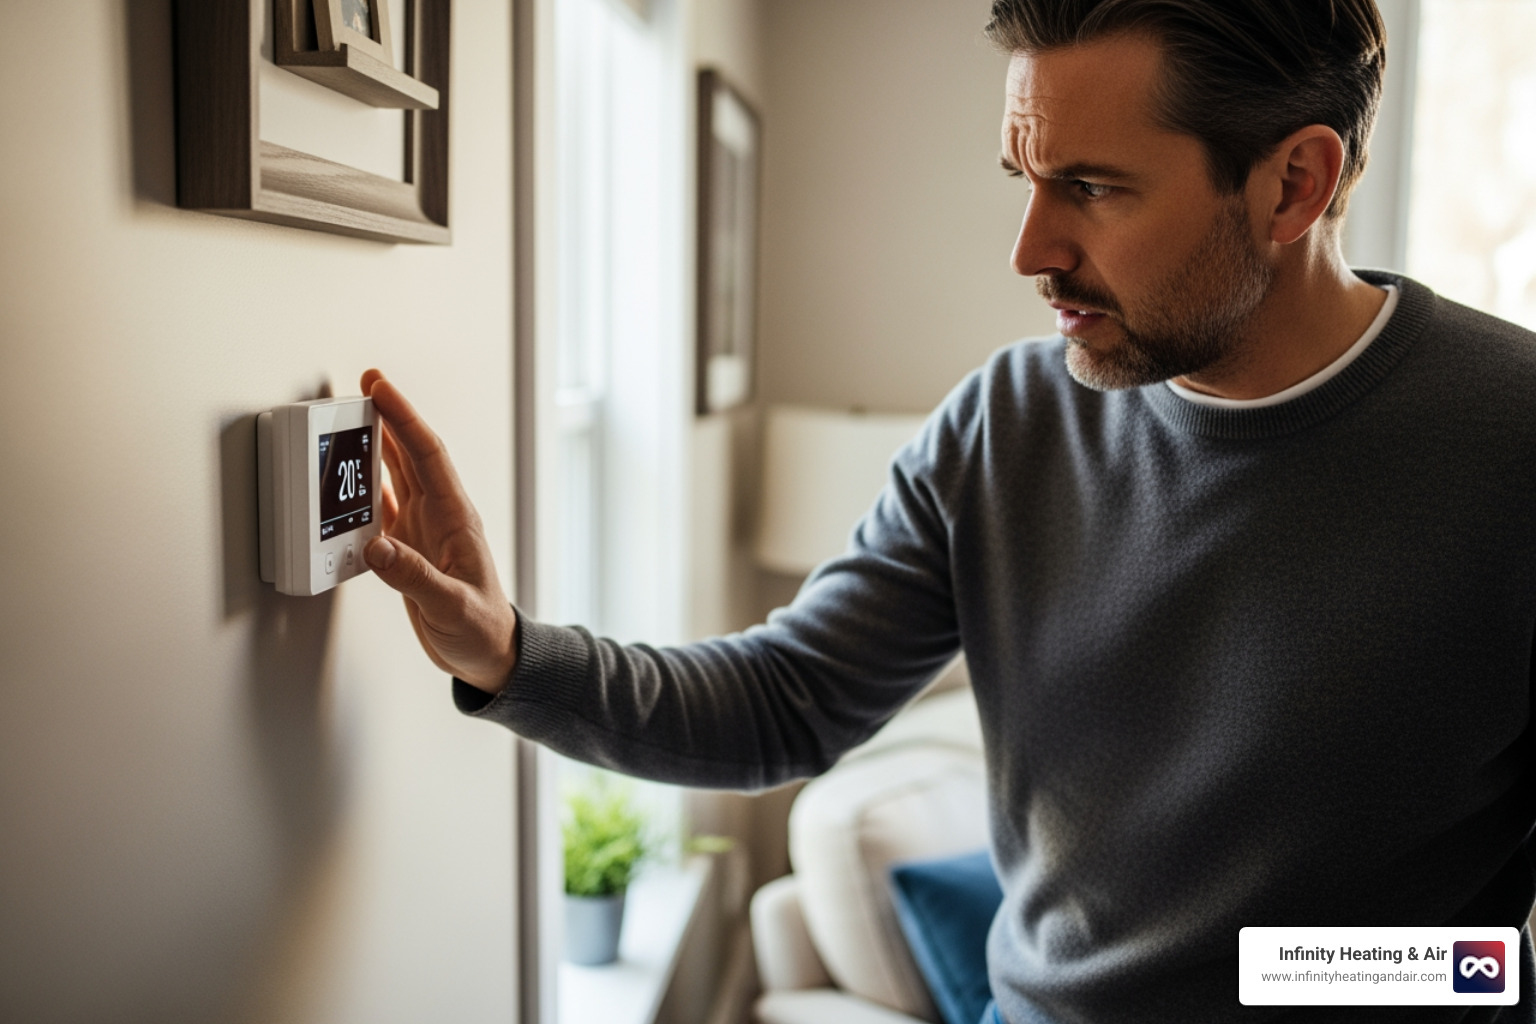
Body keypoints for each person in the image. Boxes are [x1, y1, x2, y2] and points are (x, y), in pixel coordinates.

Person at [360, 1, 1536, 1021]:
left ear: (1295, 182)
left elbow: (1494, 959)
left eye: (1092, 188)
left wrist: (1299, 979)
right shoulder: (1006, 424)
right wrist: (509, 652)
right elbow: (786, 702)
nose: (1032, 250)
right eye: (1027, 179)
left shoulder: (1512, 443)